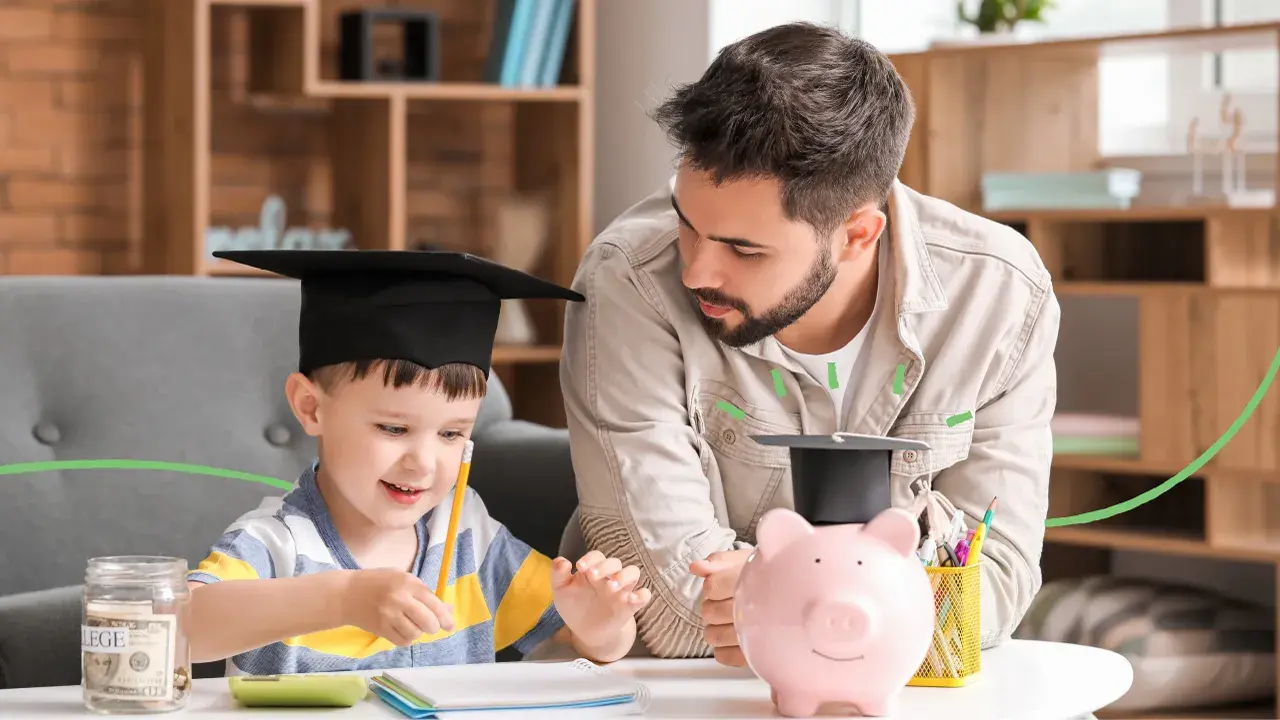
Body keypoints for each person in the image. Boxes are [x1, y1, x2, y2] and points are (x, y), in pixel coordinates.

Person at [558, 22, 1059, 665]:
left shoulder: (999, 293)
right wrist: (861, 612)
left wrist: (776, 603)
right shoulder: (629, 279)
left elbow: (993, 591)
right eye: (689, 226)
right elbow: (672, 615)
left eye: (744, 249)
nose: (697, 272)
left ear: (857, 234)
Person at [186, 249, 651, 675]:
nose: (423, 464)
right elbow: (179, 630)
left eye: (451, 434)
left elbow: (575, 643)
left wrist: (601, 626)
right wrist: (343, 597)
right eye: (393, 429)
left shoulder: (467, 532)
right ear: (311, 408)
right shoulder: (276, 542)